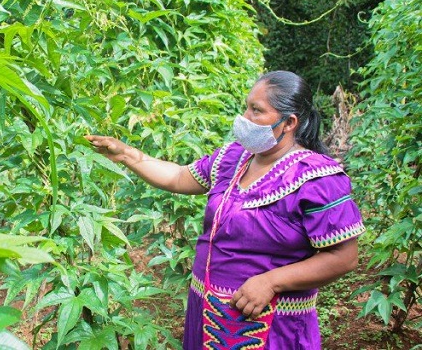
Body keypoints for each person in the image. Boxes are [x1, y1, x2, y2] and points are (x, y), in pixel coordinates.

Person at [85, 71, 365, 349]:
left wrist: (272, 282)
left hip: (270, 324)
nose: (245, 117)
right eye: (247, 106)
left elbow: (343, 257)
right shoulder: (234, 159)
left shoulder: (318, 178)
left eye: (257, 110)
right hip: (207, 313)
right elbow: (178, 177)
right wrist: (125, 154)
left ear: (289, 122)